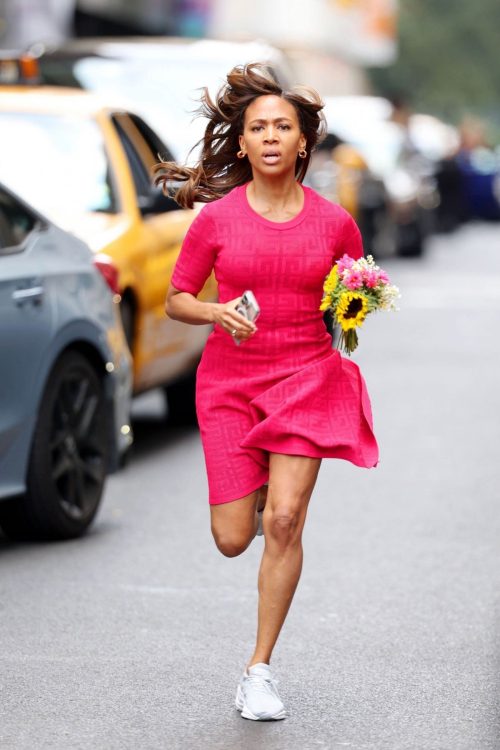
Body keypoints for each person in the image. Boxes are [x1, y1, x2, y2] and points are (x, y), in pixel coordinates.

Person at [152, 62, 379, 721]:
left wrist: (358, 305)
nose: (272, 136)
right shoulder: (216, 221)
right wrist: (217, 312)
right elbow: (176, 300)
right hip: (229, 383)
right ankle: (258, 496)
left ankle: (259, 671)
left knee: (283, 521)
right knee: (232, 536)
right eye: (259, 128)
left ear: (303, 143)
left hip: (309, 379)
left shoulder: (336, 223)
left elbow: (352, 296)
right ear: (244, 143)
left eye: (284, 126)